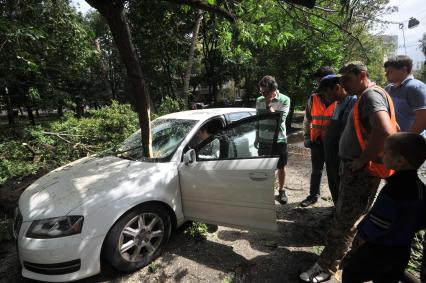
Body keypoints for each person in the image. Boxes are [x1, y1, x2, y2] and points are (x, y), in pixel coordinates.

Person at [300, 62, 398, 282]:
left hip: (361, 172)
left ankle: (326, 266)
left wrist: (363, 159)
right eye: (340, 80)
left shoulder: (371, 95)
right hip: (357, 170)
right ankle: (351, 257)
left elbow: (384, 130)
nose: (342, 84)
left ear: (362, 75)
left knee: (343, 221)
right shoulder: (367, 95)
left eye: (346, 79)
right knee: (353, 219)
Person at [342, 132, 426, 283]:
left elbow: (379, 223)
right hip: (402, 250)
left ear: (400, 160)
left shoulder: (393, 190)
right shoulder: (420, 187)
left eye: (386, 151)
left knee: (350, 274)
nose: (382, 154)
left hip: (379, 249)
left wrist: (362, 229)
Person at [301, 66, 336, 207]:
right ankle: (313, 195)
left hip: (334, 144)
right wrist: (306, 137)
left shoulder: (340, 97)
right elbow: (307, 119)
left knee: (334, 172)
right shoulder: (314, 97)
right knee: (316, 170)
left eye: (321, 80)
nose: (319, 84)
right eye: (318, 81)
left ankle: (337, 200)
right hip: (316, 142)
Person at [320, 74, 357, 205]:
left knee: (345, 190)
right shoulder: (337, 104)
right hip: (332, 157)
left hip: (342, 158)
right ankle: (336, 209)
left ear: (336, 87)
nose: (324, 96)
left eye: (325, 92)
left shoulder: (353, 103)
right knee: (334, 184)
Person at [255, 75, 291, 204]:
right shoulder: (259, 99)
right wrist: (256, 137)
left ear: (273, 90)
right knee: (265, 168)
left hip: (279, 140)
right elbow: (257, 120)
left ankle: (281, 191)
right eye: (261, 92)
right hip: (264, 140)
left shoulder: (285, 99)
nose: (263, 94)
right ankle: (266, 192)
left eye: (265, 92)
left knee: (281, 166)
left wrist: (269, 104)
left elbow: (280, 119)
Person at [384, 55, 426, 135]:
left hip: (412, 143)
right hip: (395, 141)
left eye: (390, 71)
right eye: (386, 72)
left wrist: (407, 138)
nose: (386, 75)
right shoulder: (388, 88)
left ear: (404, 70)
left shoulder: (416, 87)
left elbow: (423, 118)